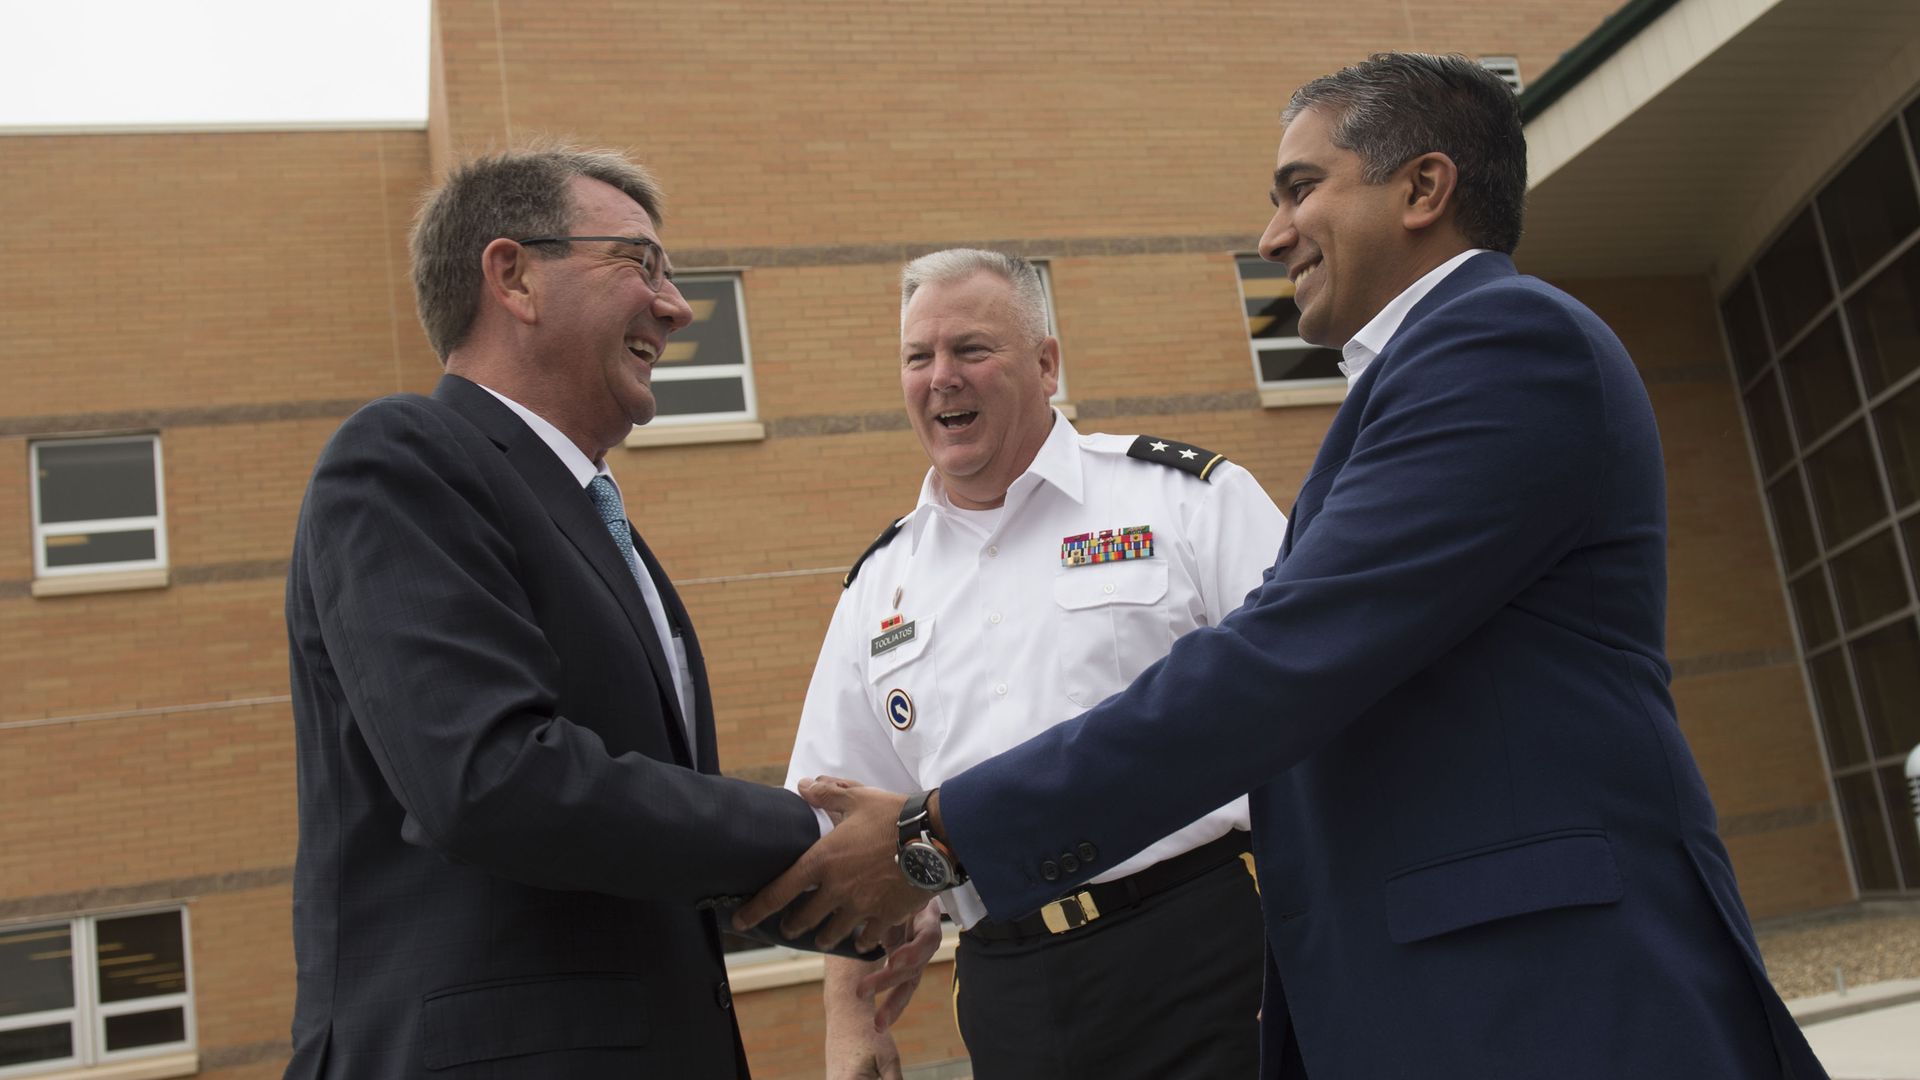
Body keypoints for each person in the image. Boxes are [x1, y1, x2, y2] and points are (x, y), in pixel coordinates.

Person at [739, 54, 1830, 1079]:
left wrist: (940, 839)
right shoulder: (1420, 379)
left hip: (1533, 985)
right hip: (1114, 979)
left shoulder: (1502, 347)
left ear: (1423, 187)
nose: (1272, 235)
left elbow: (1271, 670)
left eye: (1301, 188)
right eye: (916, 357)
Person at [282, 145, 826, 1079]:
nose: (677, 305)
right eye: (640, 263)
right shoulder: (402, 459)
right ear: (514, 275)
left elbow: (632, 843)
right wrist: (812, 837)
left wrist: (859, 899)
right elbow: (490, 777)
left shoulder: (594, 523)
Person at [788, 249, 1285, 1079]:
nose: (941, 377)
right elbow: (840, 820)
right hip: (1007, 985)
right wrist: (848, 1015)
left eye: (971, 349)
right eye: (919, 357)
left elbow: (1305, 706)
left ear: (1046, 363)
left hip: (1205, 948)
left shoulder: (1187, 499)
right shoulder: (879, 586)